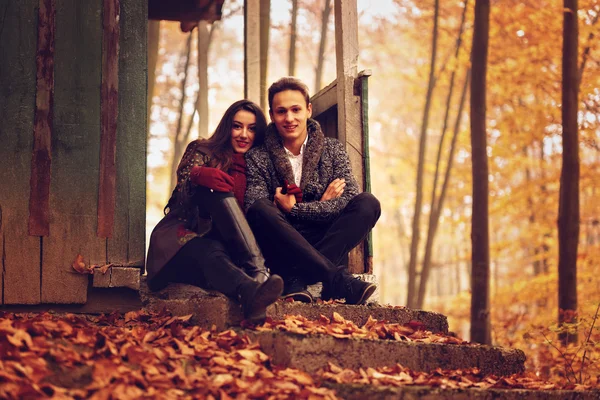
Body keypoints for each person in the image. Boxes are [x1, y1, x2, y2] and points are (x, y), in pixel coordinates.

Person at [245, 77, 381, 305]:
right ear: (272, 115)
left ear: (308, 110)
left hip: (324, 236)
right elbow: (255, 205)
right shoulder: (257, 156)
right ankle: (335, 279)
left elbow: (349, 198)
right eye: (281, 111)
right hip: (281, 242)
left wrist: (295, 209)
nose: (289, 118)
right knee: (260, 209)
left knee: (368, 203)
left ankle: (293, 277)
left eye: (296, 109)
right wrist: (322, 203)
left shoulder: (333, 149)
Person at [146, 100, 283, 324]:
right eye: (237, 126)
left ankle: (251, 293)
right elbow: (182, 192)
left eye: (251, 129)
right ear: (227, 127)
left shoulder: (261, 166)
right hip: (182, 245)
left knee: (216, 251)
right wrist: (197, 175)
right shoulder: (203, 150)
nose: (243, 135)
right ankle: (258, 273)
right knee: (214, 199)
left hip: (224, 254)